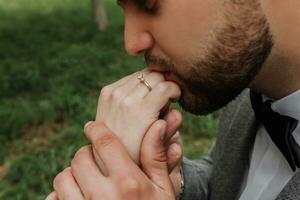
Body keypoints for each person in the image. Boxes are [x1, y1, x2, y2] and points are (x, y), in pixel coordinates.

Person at [46, 0, 300, 199]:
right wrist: (167, 182)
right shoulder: (246, 75)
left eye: (148, 4)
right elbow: (225, 181)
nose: (131, 43)